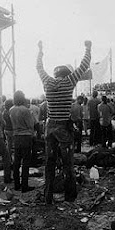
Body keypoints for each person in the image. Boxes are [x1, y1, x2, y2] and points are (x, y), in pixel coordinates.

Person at [37, 39, 92, 204]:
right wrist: (88, 48)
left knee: (49, 164)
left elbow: (39, 67)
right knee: (68, 164)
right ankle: (70, 196)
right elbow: (84, 64)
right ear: (67, 73)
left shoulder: (47, 82)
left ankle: (48, 197)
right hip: (63, 127)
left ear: (55, 74)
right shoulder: (69, 81)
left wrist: (40, 50)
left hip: (50, 126)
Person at [9, 90, 35, 193]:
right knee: (26, 162)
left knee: (16, 162)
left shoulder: (11, 109)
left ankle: (16, 184)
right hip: (26, 136)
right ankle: (25, 185)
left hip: (16, 136)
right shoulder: (25, 110)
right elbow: (30, 125)